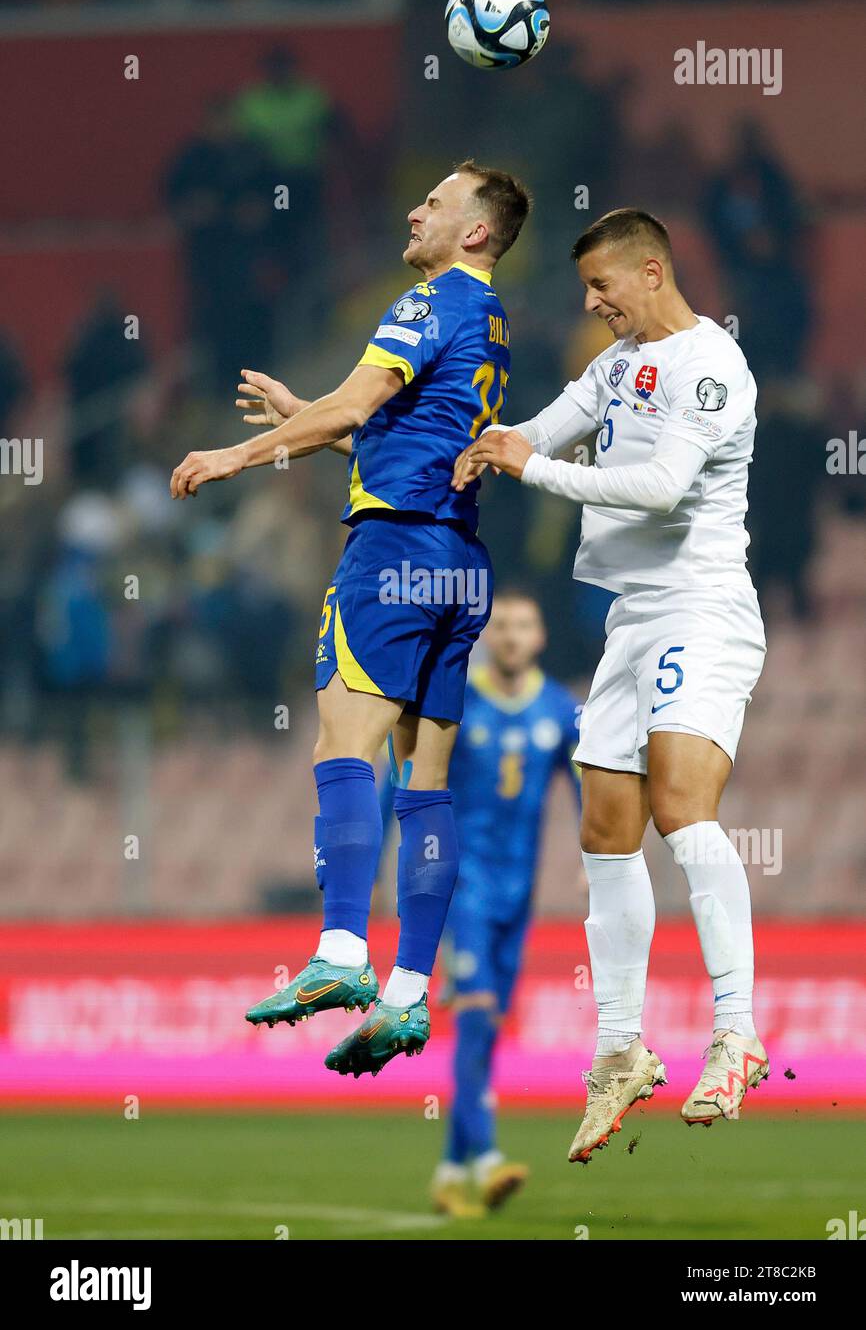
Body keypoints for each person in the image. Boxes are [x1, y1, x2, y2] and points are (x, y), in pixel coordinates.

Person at [170, 160, 530, 1077]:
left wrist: (239, 452)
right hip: (458, 566)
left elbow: (361, 400)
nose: (415, 210)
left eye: (437, 203)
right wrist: (314, 418)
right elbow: (397, 425)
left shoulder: (428, 300)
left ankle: (339, 953)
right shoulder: (492, 322)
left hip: (393, 552)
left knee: (342, 747)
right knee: (427, 782)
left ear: (476, 232)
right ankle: (410, 991)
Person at [453, 208, 769, 1161]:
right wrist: (449, 444)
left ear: (651, 269)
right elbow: (539, 427)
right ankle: (621, 1047)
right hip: (631, 621)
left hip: (702, 609)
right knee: (603, 828)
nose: (593, 305)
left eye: (603, 287)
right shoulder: (617, 362)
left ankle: (735, 1031)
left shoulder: (712, 368)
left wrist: (537, 469)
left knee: (681, 808)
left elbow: (664, 486)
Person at [381, 589, 581, 1216]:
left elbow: (585, 791)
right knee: (473, 1017)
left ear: (541, 636)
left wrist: (596, 862)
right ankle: (489, 1160)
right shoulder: (457, 700)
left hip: (518, 898)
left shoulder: (560, 710)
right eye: (504, 626)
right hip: (459, 884)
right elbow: (405, 777)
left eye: (525, 624)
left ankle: (447, 1170)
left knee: (486, 1032)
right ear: (488, 637)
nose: (514, 636)